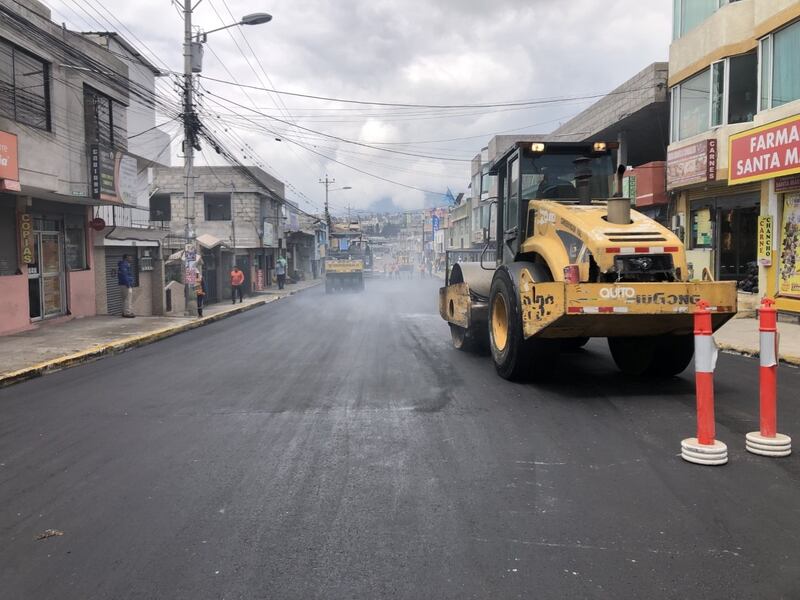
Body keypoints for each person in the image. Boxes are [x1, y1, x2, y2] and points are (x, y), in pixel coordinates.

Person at [117, 254, 135, 318]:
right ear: (126, 258)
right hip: (126, 285)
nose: (131, 259)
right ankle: (128, 313)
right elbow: (125, 276)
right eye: (130, 258)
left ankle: (124, 312)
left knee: (124, 299)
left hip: (123, 284)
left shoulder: (123, 265)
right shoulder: (124, 265)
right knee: (128, 299)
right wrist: (128, 284)